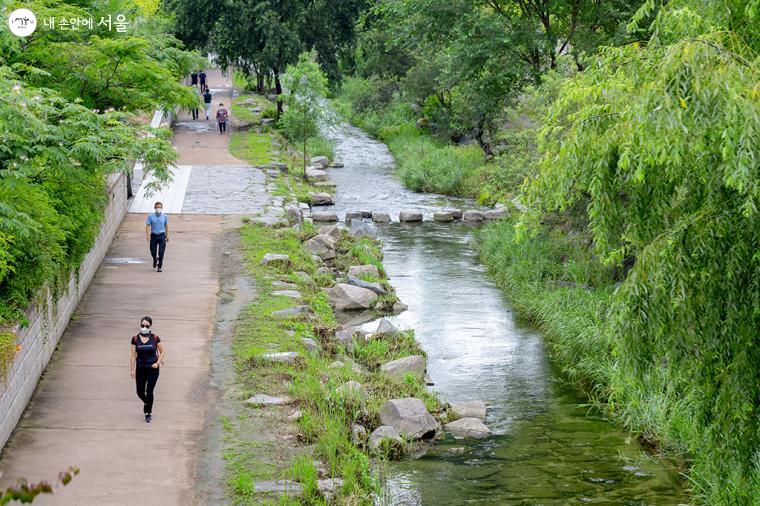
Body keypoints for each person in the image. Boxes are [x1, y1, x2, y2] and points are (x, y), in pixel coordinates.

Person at [130, 316, 165, 423]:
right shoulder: (135, 339)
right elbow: (132, 355)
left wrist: (157, 363)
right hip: (140, 369)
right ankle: (147, 402)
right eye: (142, 325)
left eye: (146, 326)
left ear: (150, 326)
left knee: (149, 391)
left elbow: (162, 351)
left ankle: (148, 413)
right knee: (140, 391)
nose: (144, 327)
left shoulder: (155, 338)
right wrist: (132, 369)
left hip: (152, 369)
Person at [145, 201, 169, 272]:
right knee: (153, 251)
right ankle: (155, 259)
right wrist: (148, 235)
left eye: (160, 207)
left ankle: (160, 266)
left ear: (162, 208)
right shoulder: (150, 216)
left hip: (162, 236)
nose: (158, 208)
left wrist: (167, 235)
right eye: (157, 207)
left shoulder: (165, 216)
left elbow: (166, 226)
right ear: (154, 208)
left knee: (161, 252)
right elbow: (148, 226)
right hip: (153, 236)